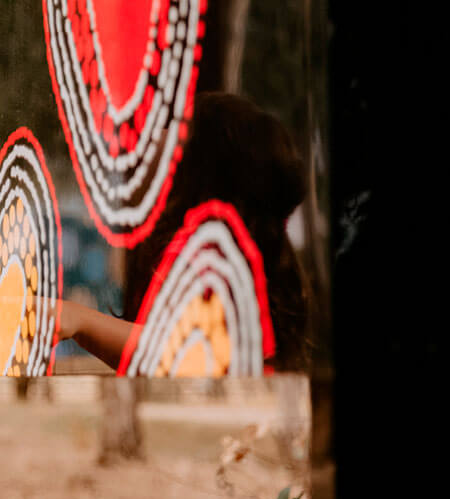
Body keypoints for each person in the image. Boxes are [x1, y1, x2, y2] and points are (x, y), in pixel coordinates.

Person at [57, 92, 311, 372]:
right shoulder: (195, 254)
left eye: (179, 126)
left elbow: (184, 351)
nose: (158, 134)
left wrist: (77, 320)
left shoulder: (219, 259)